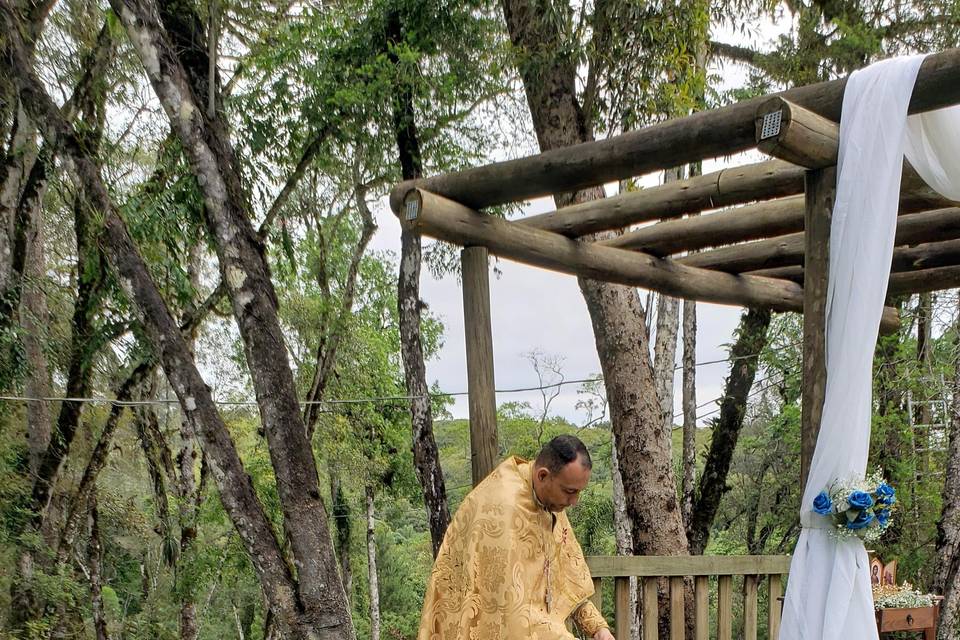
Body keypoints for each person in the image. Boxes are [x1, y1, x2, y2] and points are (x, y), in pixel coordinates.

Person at [418, 435, 614, 640]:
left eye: (578, 492)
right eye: (569, 491)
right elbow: (511, 615)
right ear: (542, 476)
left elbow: (566, 580)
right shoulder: (503, 512)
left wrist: (598, 628)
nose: (574, 501)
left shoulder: (551, 502)